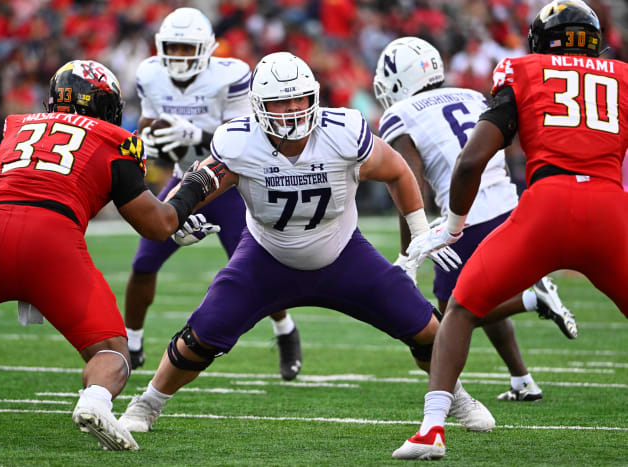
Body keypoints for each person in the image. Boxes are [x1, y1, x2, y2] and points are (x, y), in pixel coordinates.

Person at [117, 51, 496, 436]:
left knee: (427, 330)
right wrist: (180, 212)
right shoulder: (239, 140)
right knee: (199, 337)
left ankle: (457, 396)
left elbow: (397, 169)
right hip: (266, 257)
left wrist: (419, 232)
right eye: (282, 101)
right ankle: (148, 402)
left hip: (344, 254)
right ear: (259, 106)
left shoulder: (342, 131)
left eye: (300, 98)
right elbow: (202, 179)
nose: (294, 109)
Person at [0, 60, 224, 451]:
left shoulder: (16, 126)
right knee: (111, 352)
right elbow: (157, 225)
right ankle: (95, 401)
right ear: (103, 105)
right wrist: (196, 185)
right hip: (52, 243)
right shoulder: (113, 138)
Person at [394, 0, 628, 460]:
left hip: (545, 208)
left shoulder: (522, 71)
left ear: (539, 41)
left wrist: (453, 225)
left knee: (460, 308)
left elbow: (472, 160)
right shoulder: (622, 76)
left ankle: (431, 430)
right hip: (608, 209)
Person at [373, 36, 577, 403]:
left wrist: (410, 253)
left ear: (398, 79)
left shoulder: (400, 115)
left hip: (466, 215)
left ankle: (532, 300)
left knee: (452, 311)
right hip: (510, 206)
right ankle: (522, 380)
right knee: (483, 288)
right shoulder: (469, 95)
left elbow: (408, 183)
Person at [127, 7, 303, 380]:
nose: (177, 55)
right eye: (171, 47)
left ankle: (286, 331)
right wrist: (154, 136)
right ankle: (132, 341)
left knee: (254, 270)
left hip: (227, 182)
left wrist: (196, 135)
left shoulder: (232, 74)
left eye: (186, 47)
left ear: (206, 49)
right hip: (181, 178)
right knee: (145, 262)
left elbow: (245, 133)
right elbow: (147, 122)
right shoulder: (150, 74)